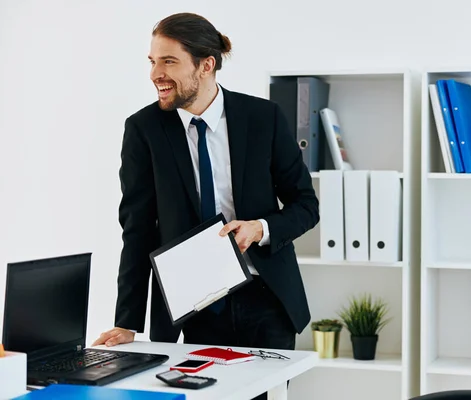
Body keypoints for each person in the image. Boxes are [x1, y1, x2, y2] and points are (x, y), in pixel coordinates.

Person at [93, 12, 319, 398]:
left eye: (169, 61)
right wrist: (127, 320)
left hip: (266, 298)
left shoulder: (263, 118)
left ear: (206, 64)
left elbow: (305, 204)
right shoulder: (144, 130)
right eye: (152, 61)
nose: (155, 74)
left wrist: (260, 228)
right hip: (194, 307)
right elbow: (137, 229)